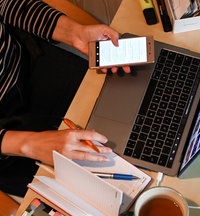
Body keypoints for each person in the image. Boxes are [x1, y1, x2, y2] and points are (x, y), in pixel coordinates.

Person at [0, 0, 129, 197]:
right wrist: (28, 144)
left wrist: (74, 33)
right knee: (101, 196)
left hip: (28, 64)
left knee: (129, 118)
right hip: (8, 142)